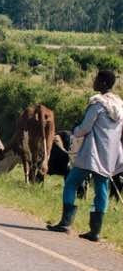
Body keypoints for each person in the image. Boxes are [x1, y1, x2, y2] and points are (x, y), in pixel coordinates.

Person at [48, 69, 123, 241]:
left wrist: (75, 130)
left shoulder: (97, 104)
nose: (93, 81)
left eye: (96, 79)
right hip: (109, 156)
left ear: (103, 83)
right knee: (102, 190)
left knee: (71, 182)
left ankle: (65, 223)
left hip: (91, 153)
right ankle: (95, 232)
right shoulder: (120, 105)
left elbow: (85, 128)